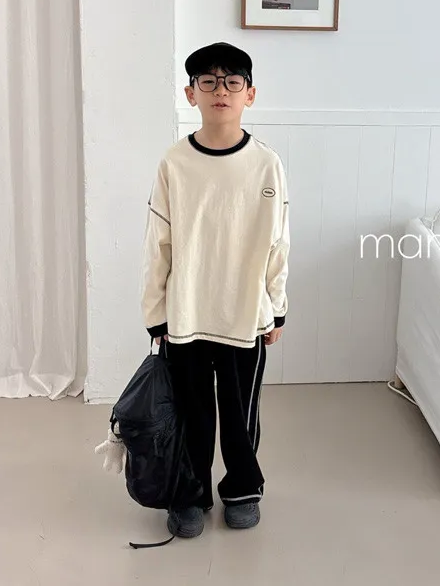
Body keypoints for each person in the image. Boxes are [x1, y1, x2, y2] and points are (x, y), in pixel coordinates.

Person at [141, 42, 290, 538]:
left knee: (240, 414)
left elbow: (279, 241)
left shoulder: (266, 164)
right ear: (191, 94)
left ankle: (243, 488)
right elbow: (158, 243)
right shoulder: (175, 162)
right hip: (186, 315)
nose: (220, 90)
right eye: (208, 81)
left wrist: (276, 307)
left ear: (250, 94)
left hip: (245, 314)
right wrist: (156, 313)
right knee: (191, 412)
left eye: (232, 81)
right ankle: (189, 494)